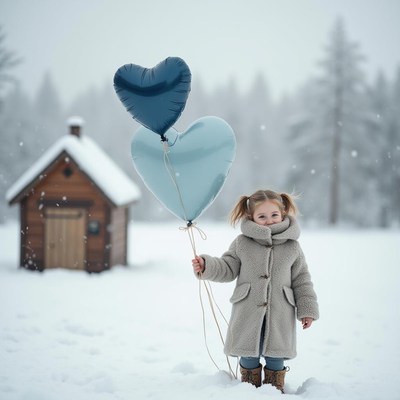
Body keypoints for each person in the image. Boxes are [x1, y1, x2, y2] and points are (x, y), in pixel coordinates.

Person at [192, 189, 319, 393]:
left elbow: (302, 280)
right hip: (248, 308)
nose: (269, 221)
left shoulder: (292, 247)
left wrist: (307, 309)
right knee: (248, 352)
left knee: (275, 354)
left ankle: (274, 388)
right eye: (262, 216)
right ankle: (248, 389)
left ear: (283, 213)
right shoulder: (243, 243)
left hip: (280, 310)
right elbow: (227, 267)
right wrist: (206, 266)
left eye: (273, 215)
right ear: (251, 217)